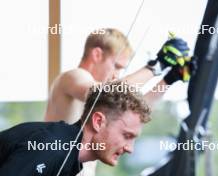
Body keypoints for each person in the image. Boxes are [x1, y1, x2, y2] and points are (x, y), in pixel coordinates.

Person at [44, 28, 196, 175]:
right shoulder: (72, 76)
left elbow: (135, 115)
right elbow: (103, 92)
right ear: (97, 54)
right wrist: (157, 66)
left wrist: (169, 79)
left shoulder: (101, 102)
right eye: (116, 66)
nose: (116, 76)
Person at [0, 81, 151, 176]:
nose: (130, 148)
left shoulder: (68, 156)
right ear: (98, 121)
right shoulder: (52, 147)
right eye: (127, 135)